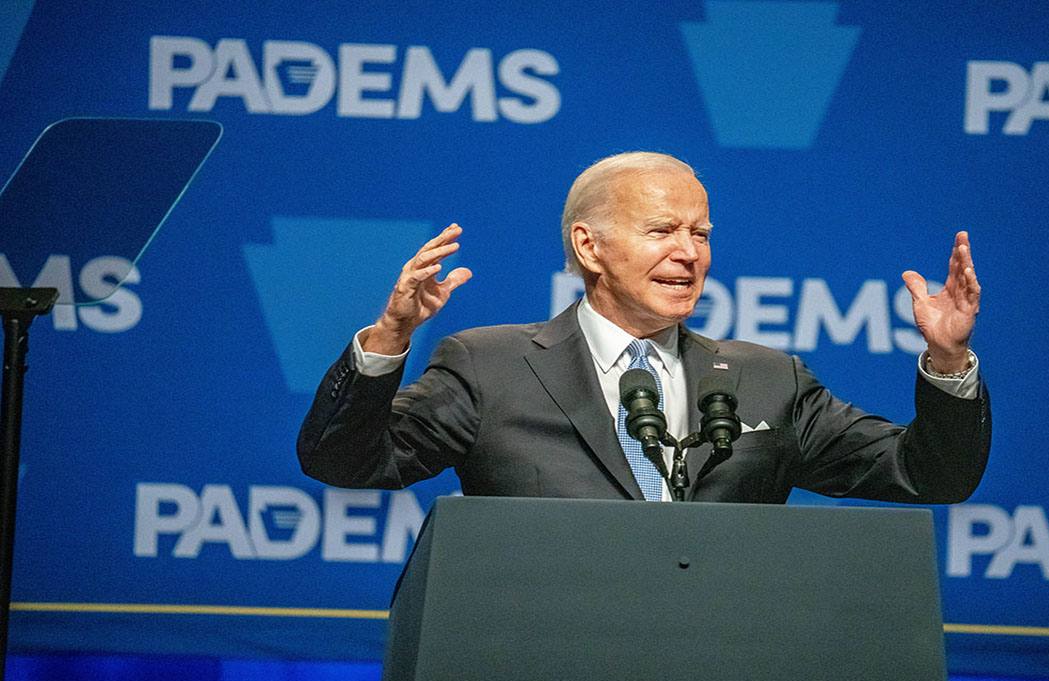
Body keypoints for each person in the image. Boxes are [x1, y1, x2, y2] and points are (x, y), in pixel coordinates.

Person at [297, 152, 989, 504]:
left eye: (701, 233)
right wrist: (389, 339)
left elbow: (929, 475)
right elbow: (347, 463)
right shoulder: (490, 368)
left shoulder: (769, 381)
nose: (689, 252)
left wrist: (950, 360)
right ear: (590, 247)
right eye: (662, 230)